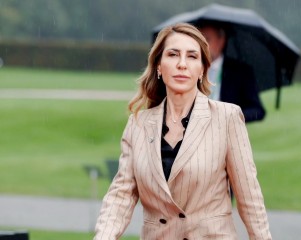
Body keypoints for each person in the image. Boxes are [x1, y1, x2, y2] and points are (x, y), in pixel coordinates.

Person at [94, 22, 272, 239]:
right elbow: (121, 196)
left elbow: (249, 198)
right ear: (159, 66)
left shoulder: (227, 118)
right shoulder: (138, 124)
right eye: (173, 54)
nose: (181, 64)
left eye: (192, 56)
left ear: (202, 69)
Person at [198, 21, 266, 123]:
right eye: (199, 40)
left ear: (221, 40)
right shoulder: (190, 69)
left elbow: (257, 111)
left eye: (207, 39)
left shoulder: (240, 71)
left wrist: (230, 116)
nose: (202, 45)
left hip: (228, 135)